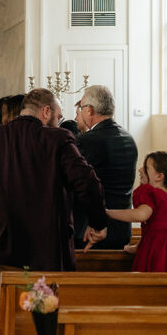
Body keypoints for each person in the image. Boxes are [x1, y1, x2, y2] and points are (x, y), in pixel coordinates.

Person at [0, 88, 107, 335]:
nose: (58, 121)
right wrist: (98, 224)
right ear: (46, 112)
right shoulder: (57, 139)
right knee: (39, 322)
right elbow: (88, 183)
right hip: (41, 252)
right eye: (57, 116)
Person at [72, 85, 138, 250]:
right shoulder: (128, 138)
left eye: (80, 107)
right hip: (122, 228)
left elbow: (82, 185)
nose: (79, 112)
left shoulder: (87, 141)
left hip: (91, 229)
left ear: (89, 110)